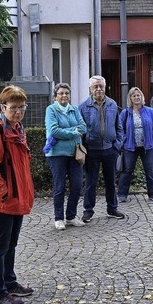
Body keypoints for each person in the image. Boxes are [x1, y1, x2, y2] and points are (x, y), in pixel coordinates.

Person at [0, 85, 35, 304]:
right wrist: (3, 193)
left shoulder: (17, 128)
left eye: (22, 107)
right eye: (14, 108)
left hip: (15, 198)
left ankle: (9, 281)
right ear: (3, 107)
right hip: (3, 200)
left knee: (10, 244)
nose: (19, 112)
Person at [78, 75, 125, 222]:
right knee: (91, 182)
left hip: (110, 149)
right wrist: (84, 147)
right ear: (90, 89)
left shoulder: (112, 104)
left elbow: (119, 127)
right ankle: (88, 210)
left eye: (101, 86)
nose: (98, 89)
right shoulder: (83, 107)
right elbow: (80, 129)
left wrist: (117, 145)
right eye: (95, 86)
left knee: (110, 181)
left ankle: (112, 208)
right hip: (92, 151)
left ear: (105, 87)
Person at [44, 83, 87, 230]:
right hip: (57, 154)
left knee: (77, 185)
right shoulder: (51, 110)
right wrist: (73, 133)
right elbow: (54, 131)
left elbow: (83, 127)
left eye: (67, 93)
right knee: (59, 186)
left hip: (75, 153)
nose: (64, 96)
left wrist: (69, 131)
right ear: (56, 96)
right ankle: (58, 218)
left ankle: (71, 216)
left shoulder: (74, 109)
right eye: (61, 93)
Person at [118, 87, 153, 202]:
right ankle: (122, 195)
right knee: (127, 170)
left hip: (147, 147)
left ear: (141, 97)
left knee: (150, 170)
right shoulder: (125, 113)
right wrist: (125, 139)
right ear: (130, 98)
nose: (136, 97)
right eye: (134, 96)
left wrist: (152, 137)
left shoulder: (150, 111)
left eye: (138, 95)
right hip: (130, 147)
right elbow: (119, 129)